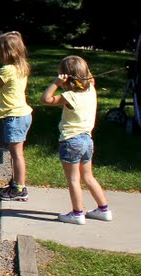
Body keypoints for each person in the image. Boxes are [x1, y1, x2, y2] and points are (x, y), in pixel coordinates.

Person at [40, 55, 112, 225]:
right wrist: (82, 68)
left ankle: (77, 213)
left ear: (65, 76)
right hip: (87, 140)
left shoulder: (69, 96)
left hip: (71, 141)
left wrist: (56, 83)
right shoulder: (91, 90)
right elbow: (91, 79)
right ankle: (104, 209)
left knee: (74, 179)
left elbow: (45, 99)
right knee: (88, 177)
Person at [0, 32, 33, 202]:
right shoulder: (21, 67)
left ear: (8, 53)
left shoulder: (7, 70)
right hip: (20, 115)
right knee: (15, 153)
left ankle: (19, 188)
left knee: (16, 154)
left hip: (14, 116)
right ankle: (16, 183)